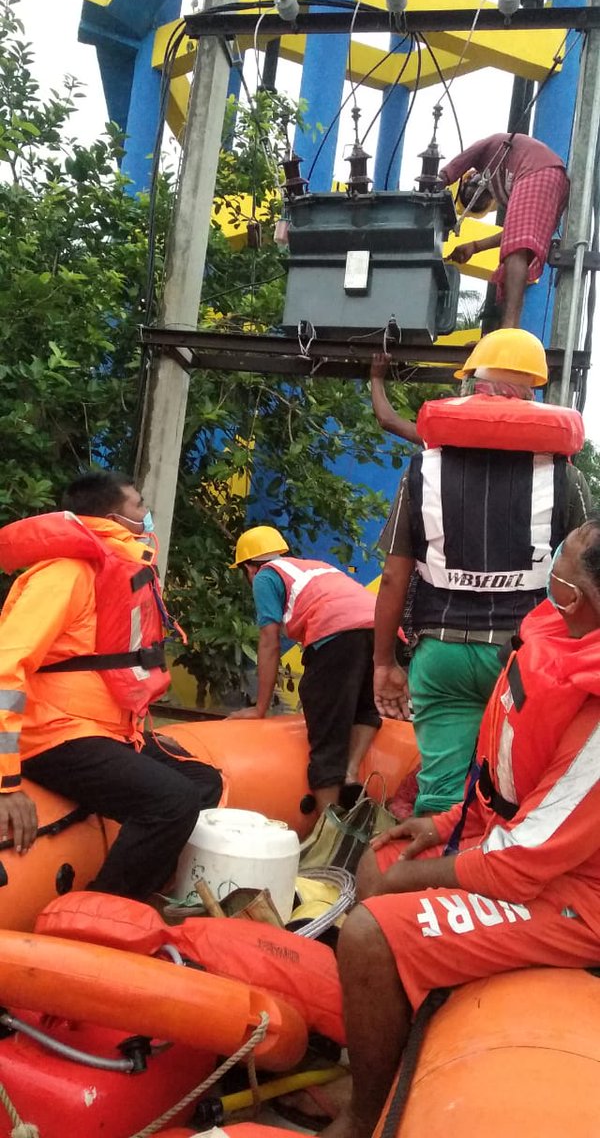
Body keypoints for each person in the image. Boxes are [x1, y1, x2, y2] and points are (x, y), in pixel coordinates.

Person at [320, 519, 600, 1138]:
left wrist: (423, 876)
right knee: (380, 858)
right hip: (524, 847)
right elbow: (508, 782)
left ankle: (365, 1116)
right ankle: (389, 1035)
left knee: (369, 932)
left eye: (562, 566)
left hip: (578, 897)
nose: (550, 573)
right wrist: (445, 823)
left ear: (580, 596)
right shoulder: (558, 640)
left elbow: (527, 860)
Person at [374, 328, 591, 815]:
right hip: (523, 658)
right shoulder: (564, 478)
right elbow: (586, 580)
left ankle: (426, 876)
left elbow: (394, 577)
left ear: (473, 386)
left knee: (440, 796)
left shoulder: (421, 472)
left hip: (442, 655)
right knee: (518, 794)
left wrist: (384, 663)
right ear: (532, 394)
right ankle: (493, 882)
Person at [0, 470, 222, 900]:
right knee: (171, 801)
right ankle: (101, 914)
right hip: (53, 734)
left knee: (203, 782)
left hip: (106, 730)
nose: (147, 513)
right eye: (139, 505)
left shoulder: (113, 569)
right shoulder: (65, 574)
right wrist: (4, 785)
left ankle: (148, 891)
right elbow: (5, 668)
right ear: (114, 518)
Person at [229, 525, 390, 814]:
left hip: (338, 633)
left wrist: (260, 708)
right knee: (364, 707)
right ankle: (351, 773)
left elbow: (269, 641)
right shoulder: (314, 567)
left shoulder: (265, 576)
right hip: (379, 628)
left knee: (326, 725)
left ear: (249, 568)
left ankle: (328, 822)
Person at [440, 132, 569, 327]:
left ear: (468, 178)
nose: (475, 198)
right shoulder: (505, 190)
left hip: (539, 169)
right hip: (552, 177)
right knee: (515, 254)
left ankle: (509, 327)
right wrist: (475, 247)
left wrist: (441, 179)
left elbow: (463, 160)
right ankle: (505, 329)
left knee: (515, 252)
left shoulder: (493, 150)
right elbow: (515, 233)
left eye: (470, 197)